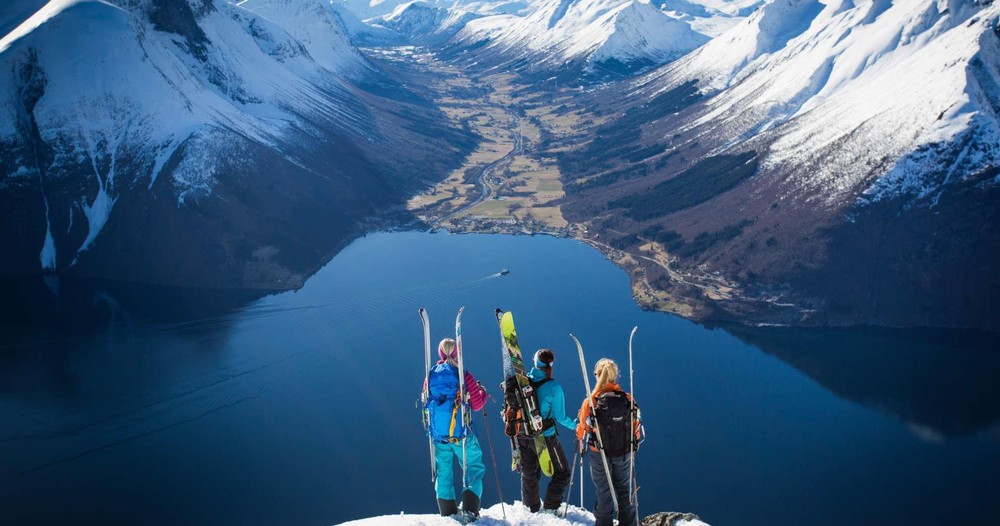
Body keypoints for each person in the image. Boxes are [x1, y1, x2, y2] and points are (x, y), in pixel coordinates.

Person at [424, 338, 488, 520]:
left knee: (443, 471)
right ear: (457, 353)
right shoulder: (463, 374)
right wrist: (482, 392)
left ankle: (447, 512)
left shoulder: (429, 376)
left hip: (439, 437)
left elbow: (426, 400)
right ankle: (469, 510)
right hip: (462, 435)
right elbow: (476, 405)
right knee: (473, 467)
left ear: (440, 354)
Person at [575, 358, 642, 526]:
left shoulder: (591, 402)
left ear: (597, 376)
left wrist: (580, 435)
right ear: (615, 376)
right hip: (624, 453)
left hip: (599, 454)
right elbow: (636, 429)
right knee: (625, 493)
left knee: (604, 494)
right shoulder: (628, 399)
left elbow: (581, 430)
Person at [517, 348, 577, 514]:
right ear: (550, 364)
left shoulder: (522, 381)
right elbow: (561, 417)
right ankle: (551, 507)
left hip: (523, 434)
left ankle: (531, 509)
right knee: (562, 472)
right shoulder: (553, 387)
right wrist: (577, 426)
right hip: (545, 437)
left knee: (529, 473)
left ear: (535, 362)